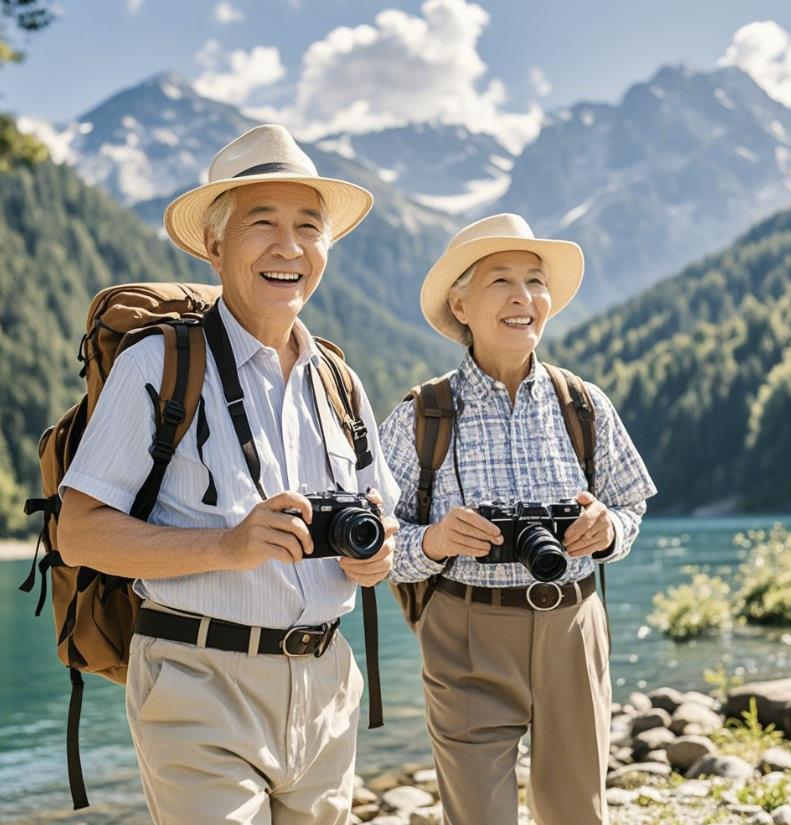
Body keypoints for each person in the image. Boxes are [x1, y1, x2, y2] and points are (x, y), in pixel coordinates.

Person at [58, 124, 400, 825]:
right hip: (195, 678)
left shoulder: (339, 379)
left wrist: (378, 554)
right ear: (213, 245)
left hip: (328, 684)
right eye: (262, 223)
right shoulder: (156, 366)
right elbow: (79, 534)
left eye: (309, 225)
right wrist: (227, 546)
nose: (289, 246)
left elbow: (384, 519)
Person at [380, 213, 657, 825]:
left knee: (577, 811)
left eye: (535, 281)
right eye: (500, 280)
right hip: (464, 631)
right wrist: (435, 540)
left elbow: (632, 503)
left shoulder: (583, 404)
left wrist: (609, 529)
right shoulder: (421, 416)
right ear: (461, 303)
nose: (522, 297)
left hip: (574, 626)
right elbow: (373, 546)